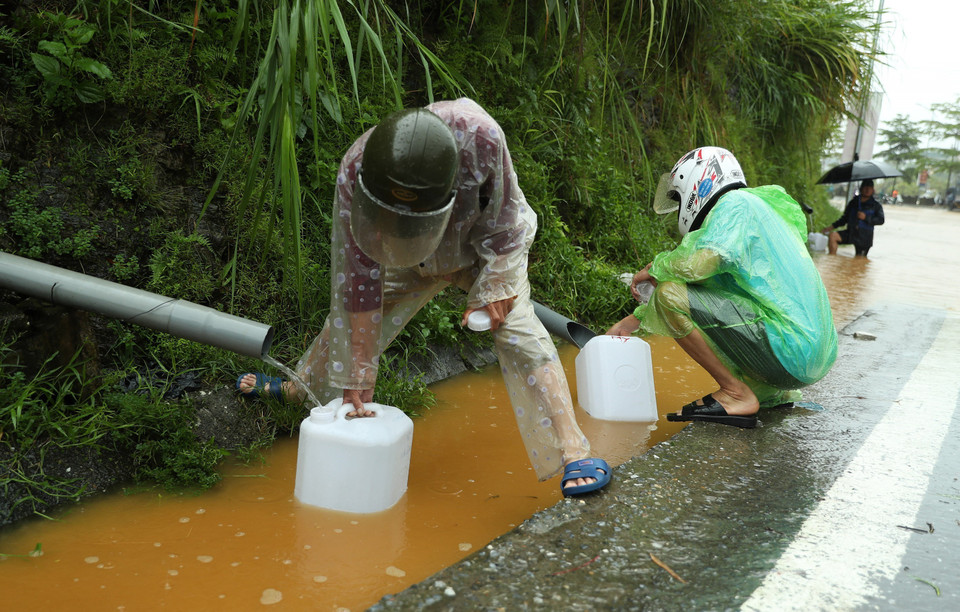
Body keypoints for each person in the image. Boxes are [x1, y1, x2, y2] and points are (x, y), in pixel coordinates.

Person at [238, 98, 609, 496]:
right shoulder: (356, 169)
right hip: (406, 253)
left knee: (519, 332)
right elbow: (358, 280)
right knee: (345, 325)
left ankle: (574, 450)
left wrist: (498, 288)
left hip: (482, 248)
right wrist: (359, 373)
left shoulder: (481, 138)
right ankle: (299, 389)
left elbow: (505, 224)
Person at [606, 147, 838, 427]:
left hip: (791, 347)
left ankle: (735, 392)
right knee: (683, 296)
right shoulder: (755, 211)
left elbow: (696, 269)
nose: (681, 209)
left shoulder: (735, 205)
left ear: (697, 183)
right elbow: (710, 296)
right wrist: (630, 324)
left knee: (668, 293)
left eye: (680, 199)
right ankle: (770, 391)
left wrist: (655, 268)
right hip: (809, 355)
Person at [822, 179, 885, 256]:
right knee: (833, 236)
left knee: (859, 262)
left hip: (864, 237)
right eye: (865, 187)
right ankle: (832, 259)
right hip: (851, 233)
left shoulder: (876, 206)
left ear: (873, 190)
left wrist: (866, 217)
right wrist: (831, 227)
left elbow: (881, 220)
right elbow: (844, 219)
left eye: (870, 188)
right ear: (861, 188)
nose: (867, 190)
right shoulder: (853, 202)